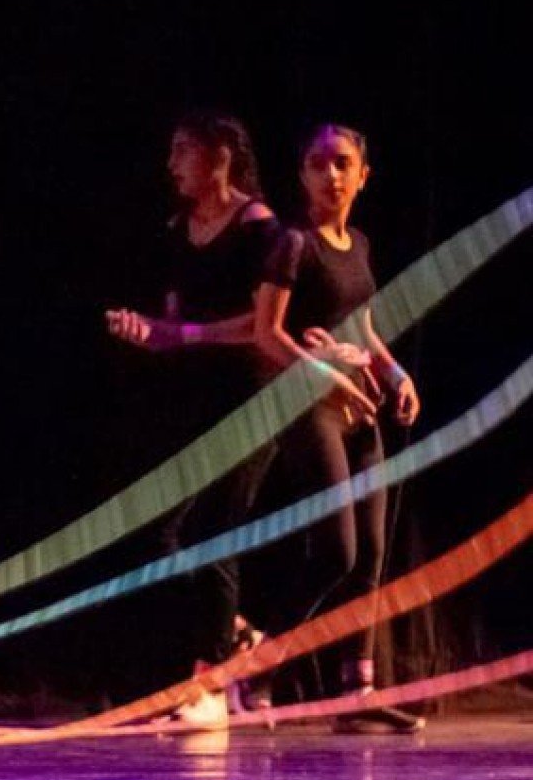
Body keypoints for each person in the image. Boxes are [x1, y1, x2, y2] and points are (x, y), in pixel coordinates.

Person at [103, 113, 301, 727]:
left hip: (250, 396)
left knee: (217, 532)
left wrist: (187, 334)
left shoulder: (260, 229)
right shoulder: (175, 232)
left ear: (220, 157)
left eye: (182, 150)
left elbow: (261, 325)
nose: (171, 164)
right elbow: (172, 323)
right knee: (161, 534)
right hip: (193, 401)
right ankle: (238, 635)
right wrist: (150, 333)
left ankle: (209, 683)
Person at [252, 123, 425, 733]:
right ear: (302, 174)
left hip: (362, 405)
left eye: (342, 163)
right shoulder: (292, 244)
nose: (331, 175)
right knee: (336, 552)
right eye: (318, 163)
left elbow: (365, 327)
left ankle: (358, 695)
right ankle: (259, 670)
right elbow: (265, 334)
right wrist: (325, 371)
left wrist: (396, 373)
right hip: (312, 406)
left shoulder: (359, 244)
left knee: (373, 553)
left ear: (362, 175)